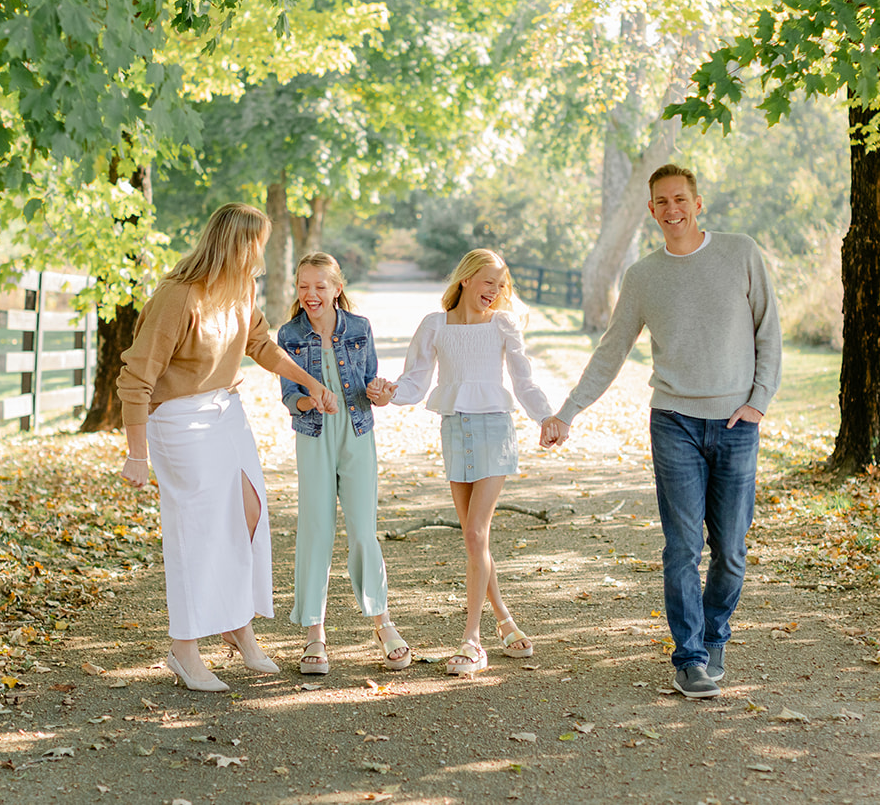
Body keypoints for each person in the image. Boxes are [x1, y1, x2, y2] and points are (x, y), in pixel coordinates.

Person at [540, 164, 780, 700]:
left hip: (737, 422)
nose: (672, 210)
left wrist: (758, 403)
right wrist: (567, 411)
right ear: (651, 211)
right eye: (661, 203)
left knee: (732, 551)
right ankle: (690, 657)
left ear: (698, 204)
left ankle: (716, 633)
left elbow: (769, 332)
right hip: (673, 422)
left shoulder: (740, 253)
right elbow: (612, 351)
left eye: (680, 199)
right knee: (682, 547)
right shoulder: (644, 276)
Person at [117, 203, 339, 693]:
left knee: (250, 513)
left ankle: (237, 625)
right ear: (238, 244)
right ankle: (184, 648)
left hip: (225, 411)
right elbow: (135, 380)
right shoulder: (178, 297)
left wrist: (312, 382)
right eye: (256, 244)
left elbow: (262, 346)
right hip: (178, 419)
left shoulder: (241, 288)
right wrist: (137, 453)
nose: (260, 255)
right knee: (197, 532)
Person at [378, 249, 553, 677]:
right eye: (487, 282)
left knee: (476, 532)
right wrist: (389, 393)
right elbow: (416, 380)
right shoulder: (435, 325)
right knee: (475, 541)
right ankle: (505, 620)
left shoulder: (503, 325)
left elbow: (523, 379)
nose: (493, 292)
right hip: (455, 430)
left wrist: (547, 415)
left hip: (495, 429)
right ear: (466, 280)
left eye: (500, 284)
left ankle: (472, 641)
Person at [275, 253, 412, 674]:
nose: (310, 294)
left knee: (362, 531)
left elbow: (371, 382)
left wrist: (380, 391)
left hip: (357, 432)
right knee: (315, 529)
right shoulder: (289, 334)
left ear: (337, 288)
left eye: (319, 286)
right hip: (314, 435)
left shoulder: (360, 327)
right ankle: (315, 634)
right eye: (303, 286)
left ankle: (382, 623)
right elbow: (288, 397)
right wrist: (308, 398)